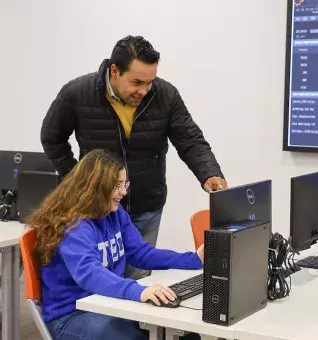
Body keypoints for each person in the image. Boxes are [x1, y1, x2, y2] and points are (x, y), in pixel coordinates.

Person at [40, 35, 227, 279]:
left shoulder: (165, 95)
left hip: (146, 206)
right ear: (115, 71)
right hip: (95, 208)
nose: (144, 90)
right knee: (100, 282)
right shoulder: (77, 93)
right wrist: (79, 180)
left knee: (138, 281)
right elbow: (52, 138)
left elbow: (189, 139)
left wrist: (209, 172)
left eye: (150, 82)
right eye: (137, 82)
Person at [25, 149, 203, 340]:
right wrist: (138, 291)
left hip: (107, 303)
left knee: (185, 334)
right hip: (71, 314)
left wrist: (194, 259)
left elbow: (141, 253)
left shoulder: (114, 213)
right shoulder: (73, 225)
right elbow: (89, 274)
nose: (124, 192)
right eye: (117, 185)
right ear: (97, 187)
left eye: (124, 184)